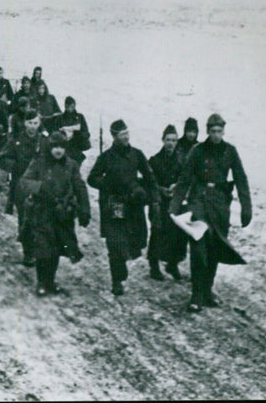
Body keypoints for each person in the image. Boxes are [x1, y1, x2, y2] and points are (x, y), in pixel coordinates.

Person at [169, 113, 252, 312]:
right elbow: (185, 179)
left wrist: (246, 208)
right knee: (199, 250)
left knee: (215, 249)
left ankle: (207, 289)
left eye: (219, 131)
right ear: (207, 131)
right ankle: (196, 294)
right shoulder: (198, 151)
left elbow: (241, 178)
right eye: (213, 131)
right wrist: (174, 206)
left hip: (220, 206)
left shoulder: (230, 151)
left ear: (223, 131)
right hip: (199, 202)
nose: (216, 135)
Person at [87, 120, 160, 296]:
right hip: (115, 204)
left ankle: (123, 263)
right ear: (114, 137)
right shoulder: (106, 157)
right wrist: (107, 184)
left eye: (127, 133)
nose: (126, 137)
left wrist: (154, 199)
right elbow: (92, 178)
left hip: (133, 205)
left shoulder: (137, 154)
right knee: (115, 242)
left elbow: (150, 178)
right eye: (122, 134)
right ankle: (117, 280)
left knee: (135, 240)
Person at [19, 131, 90, 296]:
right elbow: (24, 182)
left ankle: (50, 281)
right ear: (50, 147)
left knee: (57, 249)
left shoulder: (71, 165)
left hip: (63, 214)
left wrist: (84, 209)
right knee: (43, 249)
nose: (58, 150)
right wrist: (40, 187)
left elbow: (79, 186)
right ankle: (41, 282)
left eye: (61, 147)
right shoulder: (39, 163)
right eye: (55, 147)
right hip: (42, 213)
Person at [0, 109, 50, 265]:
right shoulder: (16, 139)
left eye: (35, 123)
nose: (32, 126)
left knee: (40, 219)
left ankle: (38, 249)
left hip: (40, 186)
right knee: (26, 219)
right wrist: (15, 167)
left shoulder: (44, 141)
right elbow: (2, 158)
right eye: (29, 123)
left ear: (39, 123)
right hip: (21, 186)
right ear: (24, 123)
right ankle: (28, 252)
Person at [147, 125, 188, 281]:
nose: (171, 143)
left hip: (175, 202)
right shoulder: (155, 160)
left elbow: (187, 179)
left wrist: (177, 187)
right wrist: (161, 189)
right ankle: (154, 265)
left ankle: (172, 264)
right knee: (157, 232)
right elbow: (148, 182)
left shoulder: (182, 160)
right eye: (168, 140)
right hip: (158, 202)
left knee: (177, 234)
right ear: (163, 140)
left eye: (174, 140)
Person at [53, 96, 91, 167]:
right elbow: (55, 134)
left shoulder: (80, 117)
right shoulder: (60, 118)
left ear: (74, 106)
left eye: (72, 106)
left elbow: (86, 133)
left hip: (77, 148)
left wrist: (76, 134)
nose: (70, 109)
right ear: (65, 106)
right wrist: (63, 135)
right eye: (68, 106)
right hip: (65, 149)